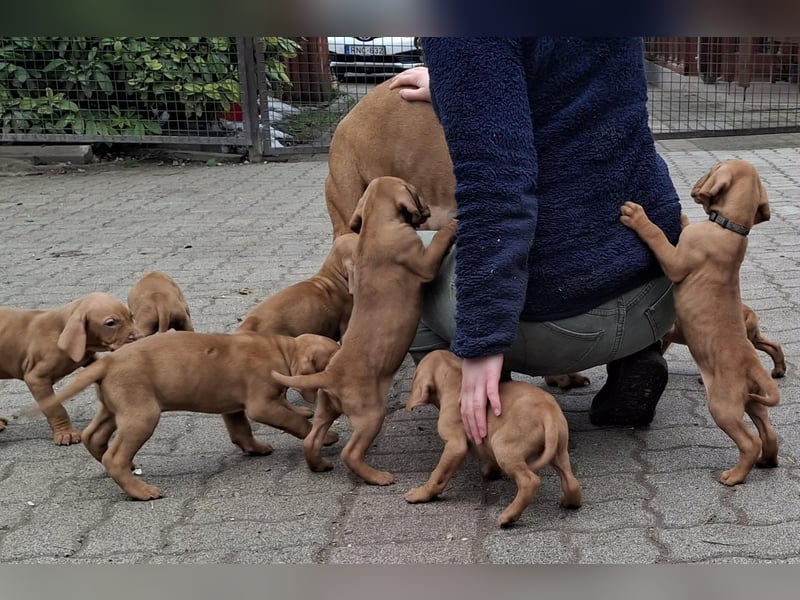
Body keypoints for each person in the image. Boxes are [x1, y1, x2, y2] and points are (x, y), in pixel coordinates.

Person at [388, 38, 682, 445]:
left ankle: (490, 402)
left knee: (406, 278)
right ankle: (634, 359)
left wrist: (482, 341)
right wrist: (452, 86)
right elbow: (565, 83)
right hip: (660, 290)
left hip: (565, 324)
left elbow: (498, 188)